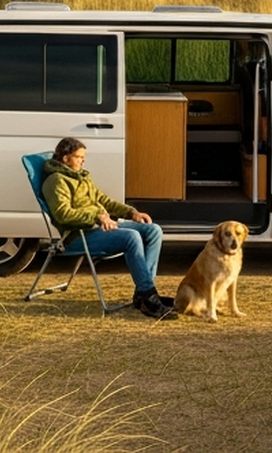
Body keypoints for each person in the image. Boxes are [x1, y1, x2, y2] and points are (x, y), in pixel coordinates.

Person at [40, 136, 176, 319]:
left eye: (83, 157)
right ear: (65, 158)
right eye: (79, 157)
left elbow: (103, 200)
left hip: (99, 228)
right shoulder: (55, 181)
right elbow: (63, 214)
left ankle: (143, 294)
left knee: (153, 230)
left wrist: (131, 213)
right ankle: (149, 297)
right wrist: (96, 216)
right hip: (78, 235)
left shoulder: (81, 176)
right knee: (131, 237)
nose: (83, 161)